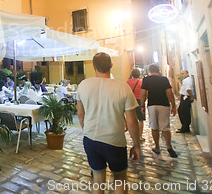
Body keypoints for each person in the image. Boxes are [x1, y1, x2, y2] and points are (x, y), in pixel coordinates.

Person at [76, 52, 141, 194]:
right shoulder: (122, 87)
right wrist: (136, 144)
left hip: (90, 139)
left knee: (98, 180)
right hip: (114, 142)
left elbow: (80, 115)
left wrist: (86, 130)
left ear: (94, 67)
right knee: (119, 180)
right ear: (111, 65)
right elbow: (132, 122)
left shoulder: (83, 85)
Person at [141, 64, 178, 158]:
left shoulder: (146, 80)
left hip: (152, 105)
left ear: (149, 70)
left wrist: (142, 106)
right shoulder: (164, 79)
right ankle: (169, 146)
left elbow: (143, 94)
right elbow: (169, 93)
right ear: (158, 70)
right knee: (165, 127)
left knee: (154, 127)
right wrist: (173, 106)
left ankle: (157, 147)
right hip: (164, 105)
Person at [126, 68, 146, 141]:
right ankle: (140, 136)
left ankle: (133, 136)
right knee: (141, 119)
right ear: (139, 74)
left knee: (131, 119)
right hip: (139, 101)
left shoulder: (128, 82)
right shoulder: (141, 82)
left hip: (130, 101)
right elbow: (144, 93)